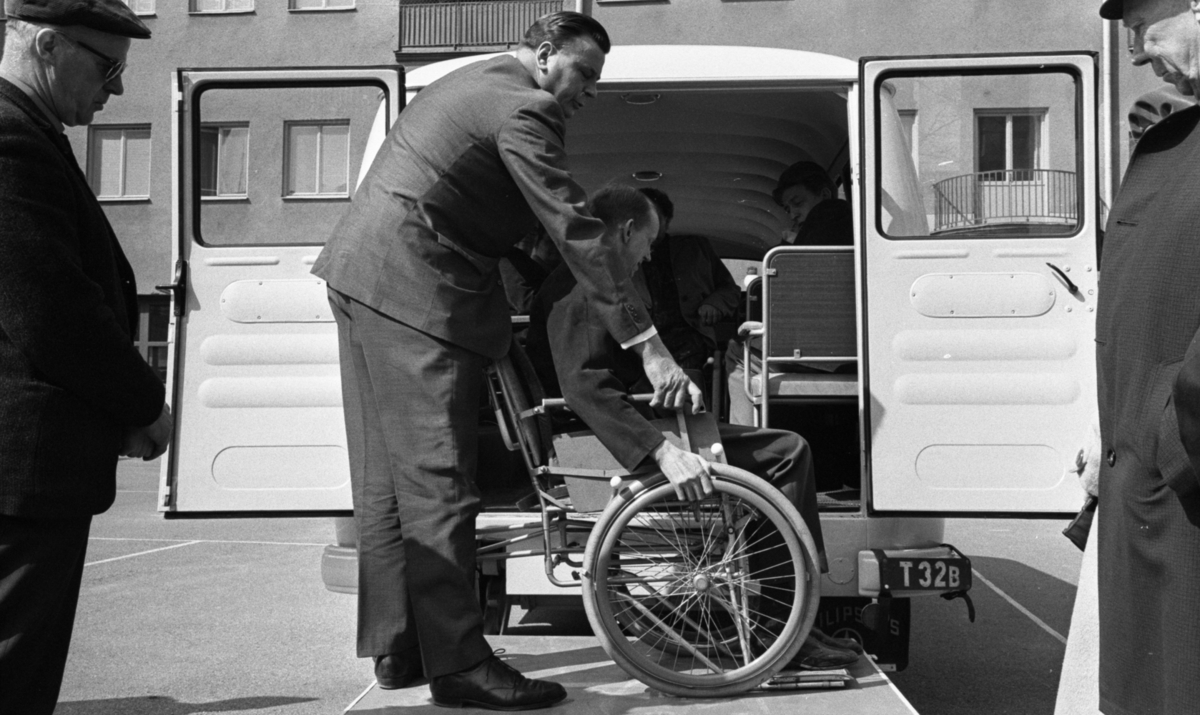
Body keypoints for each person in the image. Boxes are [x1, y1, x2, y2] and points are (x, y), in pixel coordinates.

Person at [310, 12, 700, 710]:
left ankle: (401, 646)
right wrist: (650, 347)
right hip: (416, 291)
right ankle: (461, 666)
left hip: (360, 275)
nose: (588, 93)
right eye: (585, 75)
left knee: (385, 485)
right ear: (546, 54)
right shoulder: (526, 108)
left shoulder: (471, 83)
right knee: (439, 485)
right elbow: (574, 227)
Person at [526, 185, 860, 670]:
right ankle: (787, 624)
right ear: (626, 232)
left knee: (778, 448)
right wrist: (661, 449)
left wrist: (670, 389)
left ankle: (791, 616)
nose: (648, 256)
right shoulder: (581, 288)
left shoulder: (582, 280)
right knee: (788, 452)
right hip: (594, 450)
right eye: (648, 243)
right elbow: (585, 388)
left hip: (604, 434)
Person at [0, 1, 171, 712]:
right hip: (22, 473)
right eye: (107, 67)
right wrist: (143, 403)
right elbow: (51, 310)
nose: (118, 87)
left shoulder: (30, 130)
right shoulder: (10, 139)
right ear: (46, 44)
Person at [1081, 1, 1200, 713]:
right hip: (1155, 468)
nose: (1134, 55)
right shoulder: (1181, 137)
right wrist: (1120, 430)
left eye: (1141, 30)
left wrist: (1165, 431)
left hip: (1184, 474)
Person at [724, 162, 854, 425]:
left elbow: (790, 291)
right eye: (788, 208)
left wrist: (790, 242)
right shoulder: (852, 225)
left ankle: (746, 437)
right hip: (849, 349)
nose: (793, 213)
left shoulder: (823, 219)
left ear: (824, 194)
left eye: (797, 202)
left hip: (817, 353)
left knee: (737, 352)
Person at [638, 188, 740, 375]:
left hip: (690, 342)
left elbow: (730, 290)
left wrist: (714, 304)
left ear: (666, 220)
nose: (648, 223)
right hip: (640, 344)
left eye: (654, 217)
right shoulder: (620, 253)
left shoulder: (695, 248)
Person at [772, 161, 853, 247]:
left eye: (798, 203)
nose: (793, 216)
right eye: (788, 210)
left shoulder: (836, 223)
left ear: (825, 195)